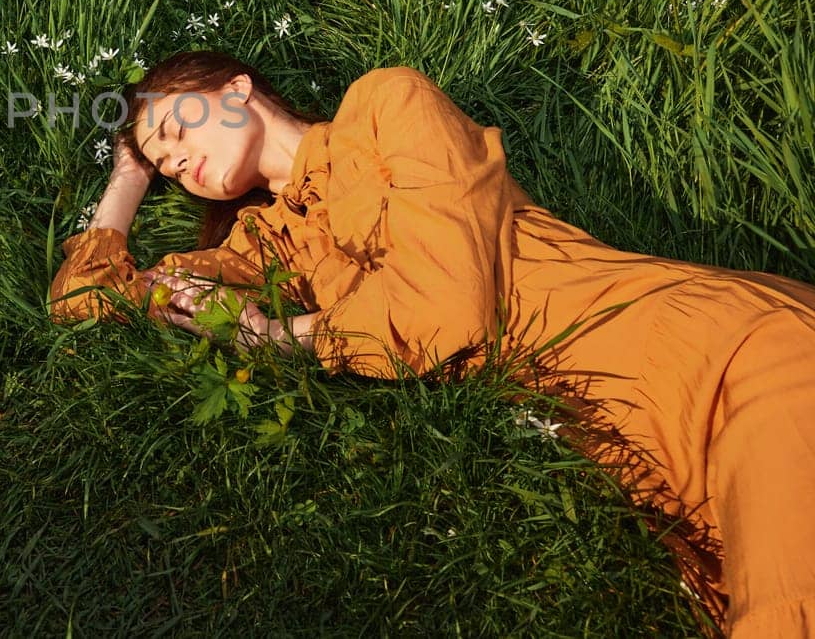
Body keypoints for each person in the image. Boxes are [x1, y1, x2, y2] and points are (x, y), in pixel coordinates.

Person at [48, 50, 815, 638]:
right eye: (169, 166)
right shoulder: (268, 246)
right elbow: (88, 301)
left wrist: (284, 335)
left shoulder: (386, 106)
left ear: (238, 88)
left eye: (179, 132)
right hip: (660, 452)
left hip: (724, 351)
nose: (181, 165)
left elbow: (446, 305)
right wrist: (127, 178)